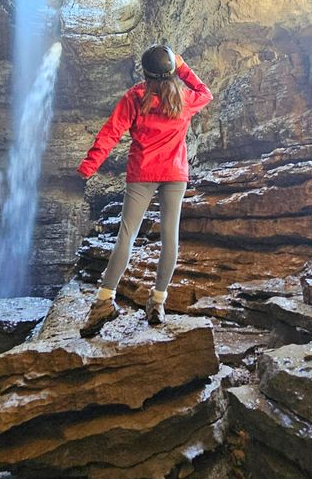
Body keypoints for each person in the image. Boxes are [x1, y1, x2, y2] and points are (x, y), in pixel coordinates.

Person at [77, 44, 213, 336]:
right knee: (170, 239)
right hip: (174, 175)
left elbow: (111, 132)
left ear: (145, 71)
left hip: (142, 174)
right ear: (171, 70)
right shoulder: (186, 98)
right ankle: (158, 302)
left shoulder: (135, 97)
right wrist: (183, 66)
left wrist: (89, 166)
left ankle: (104, 301)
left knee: (126, 236)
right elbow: (206, 92)